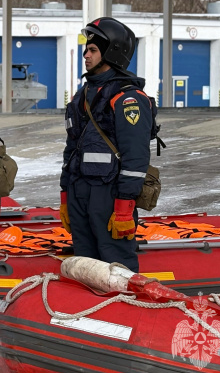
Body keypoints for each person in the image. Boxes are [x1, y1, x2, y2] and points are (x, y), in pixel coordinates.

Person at [60, 17, 155, 273]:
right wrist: (64, 194)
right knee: (86, 266)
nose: (85, 55)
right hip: (79, 192)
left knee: (116, 265)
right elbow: (72, 150)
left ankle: (124, 311)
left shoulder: (128, 99)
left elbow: (136, 158)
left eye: (92, 50)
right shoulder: (83, 95)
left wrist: (125, 204)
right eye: (86, 49)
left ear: (111, 53)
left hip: (109, 195)